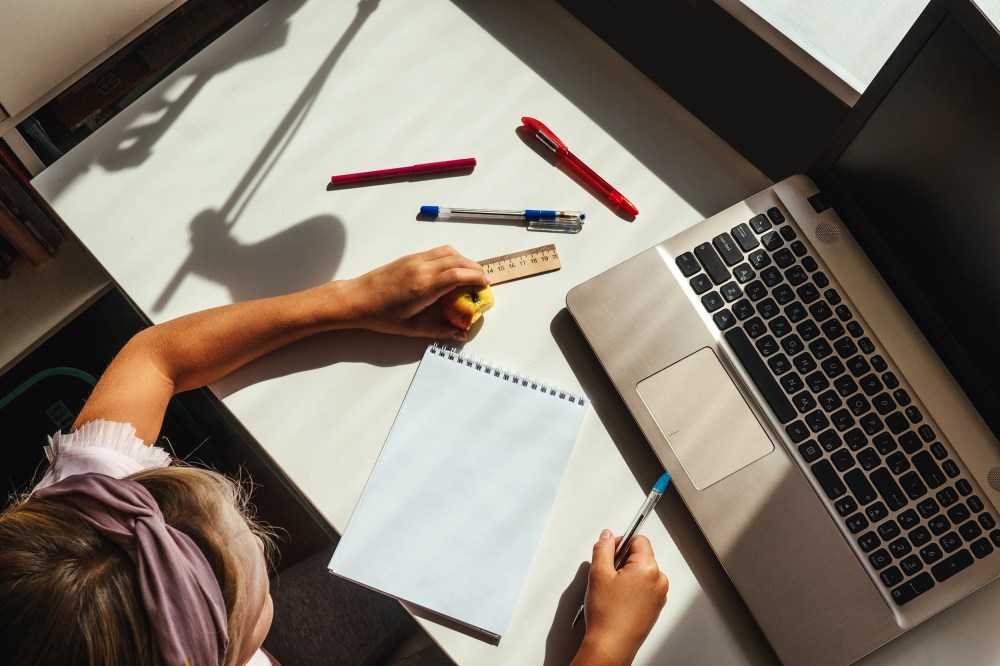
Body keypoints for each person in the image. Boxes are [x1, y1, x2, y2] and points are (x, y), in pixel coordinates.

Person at [0, 246, 668, 665]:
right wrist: (607, 648)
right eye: (256, 559)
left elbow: (155, 356)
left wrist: (349, 300)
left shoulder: (86, 515)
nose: (261, 545)